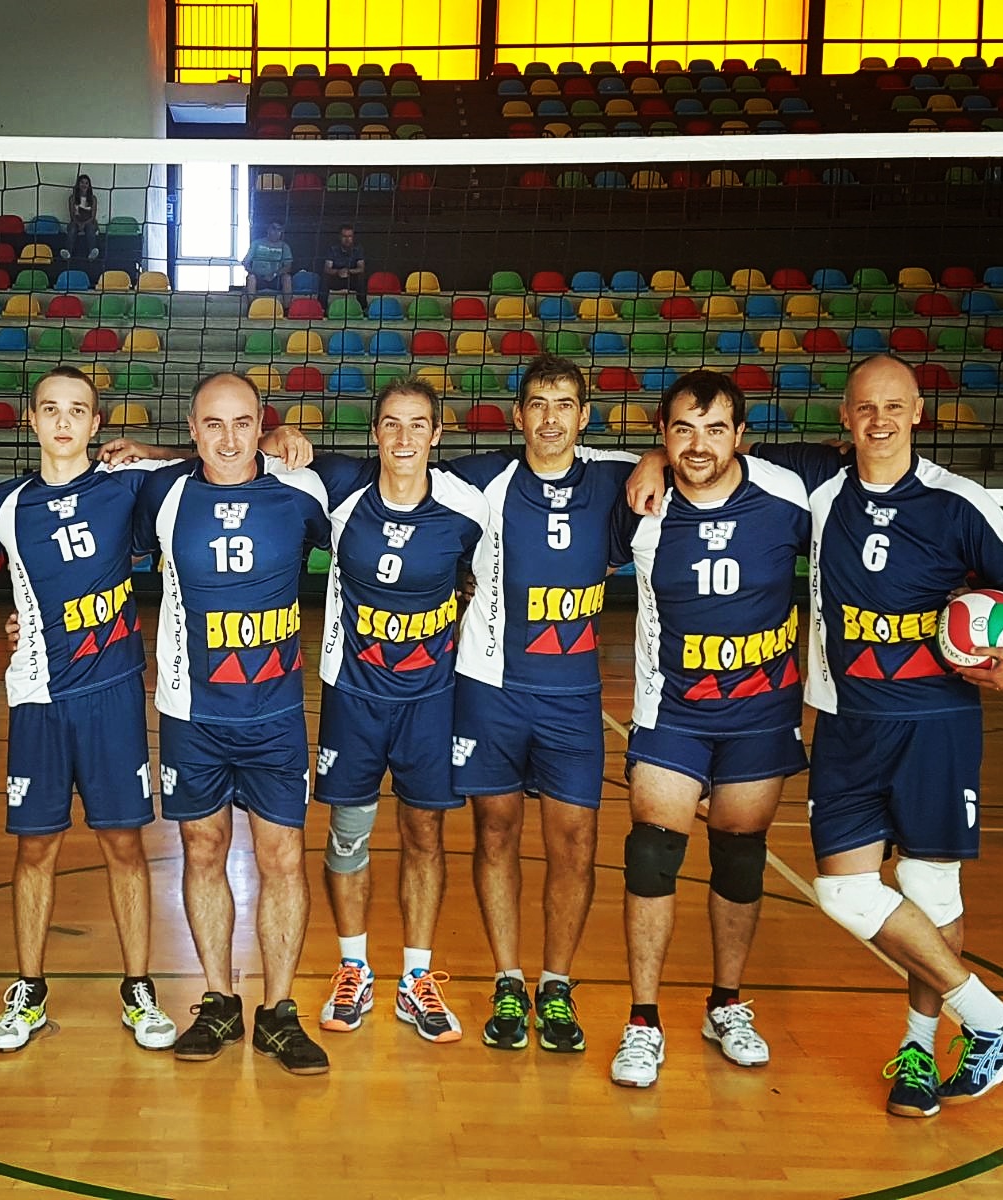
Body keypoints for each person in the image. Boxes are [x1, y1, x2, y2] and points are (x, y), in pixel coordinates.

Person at [631, 353, 1003, 1116]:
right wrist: (654, 458)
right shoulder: (819, 486)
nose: (880, 420)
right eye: (866, 407)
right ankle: (996, 1020)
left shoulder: (956, 502)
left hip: (935, 724)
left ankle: (923, 1050)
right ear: (845, 416)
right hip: (845, 720)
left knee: (929, 889)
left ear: (918, 412)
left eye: (894, 407)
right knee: (843, 890)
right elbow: (708, 451)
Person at [607, 369, 812, 1089]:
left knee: (740, 856)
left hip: (762, 710)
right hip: (674, 709)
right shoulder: (641, 503)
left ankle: (726, 1004)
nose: (699, 445)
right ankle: (643, 1020)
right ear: (661, 434)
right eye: (683, 431)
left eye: (716, 429)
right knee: (651, 852)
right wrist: (647, 463)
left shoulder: (791, 492)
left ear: (741, 435)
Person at [0, 367, 179, 1054]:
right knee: (36, 847)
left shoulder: (126, 487)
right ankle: (29, 990)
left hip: (113, 693)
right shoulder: (3, 504)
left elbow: (216, 461)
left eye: (78, 410)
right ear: (31, 419)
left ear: (96, 423)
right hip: (38, 695)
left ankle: (138, 988)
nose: (64, 421)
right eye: (51, 409)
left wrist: (150, 450)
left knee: (124, 845)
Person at [130, 372, 331, 1074]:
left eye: (243, 423)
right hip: (192, 712)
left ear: (262, 426)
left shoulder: (302, 488)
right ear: (192, 429)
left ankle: (279, 1013)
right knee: (203, 850)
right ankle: (218, 1000)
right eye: (212, 424)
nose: (228, 438)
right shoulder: (162, 493)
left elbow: (387, 506)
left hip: (275, 713)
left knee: (283, 859)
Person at [444, 356, 638, 1053]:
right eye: (537, 404)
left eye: (564, 405)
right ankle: (507, 979)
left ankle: (556, 985)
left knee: (576, 843)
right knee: (495, 832)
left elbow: (690, 459)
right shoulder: (481, 477)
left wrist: (653, 463)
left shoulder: (615, 476)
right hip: (489, 688)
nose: (550, 419)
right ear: (518, 415)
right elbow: (394, 476)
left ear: (584, 415)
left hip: (573, 696)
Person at [305, 379, 488, 1045]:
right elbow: (240, 455)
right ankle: (354, 968)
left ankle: (416, 978)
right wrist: (155, 451)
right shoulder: (340, 491)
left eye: (417, 425)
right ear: (375, 431)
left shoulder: (469, 504)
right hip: (354, 697)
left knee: (425, 836)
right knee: (347, 835)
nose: (404, 437)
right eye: (391, 423)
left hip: (431, 702)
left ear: (437, 435)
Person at [318, 224, 366, 311]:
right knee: (325, 278)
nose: (347, 239)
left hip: (351, 279)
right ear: (340, 237)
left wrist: (348, 271)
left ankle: (363, 308)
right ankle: (321, 308)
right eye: (344, 236)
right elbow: (327, 268)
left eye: (350, 236)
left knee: (361, 278)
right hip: (336, 279)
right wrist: (338, 272)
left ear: (353, 237)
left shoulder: (358, 249)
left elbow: (361, 268)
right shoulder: (332, 249)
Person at [242, 220, 293, 296]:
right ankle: (252, 303)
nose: (276, 232)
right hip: (258, 279)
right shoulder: (256, 243)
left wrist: (274, 274)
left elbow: (288, 266)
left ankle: (287, 304)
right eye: (274, 229)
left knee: (287, 278)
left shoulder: (285, 246)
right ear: (268, 229)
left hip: (276, 279)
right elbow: (245, 262)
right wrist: (254, 273)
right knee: (251, 278)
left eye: (279, 230)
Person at [60, 174, 99, 263]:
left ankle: (92, 253)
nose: (84, 185)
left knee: (90, 228)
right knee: (72, 228)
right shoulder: (72, 198)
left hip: (89, 222)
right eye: (82, 182)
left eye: (86, 183)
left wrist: (84, 224)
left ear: (89, 186)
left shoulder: (93, 198)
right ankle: (68, 253)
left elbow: (93, 216)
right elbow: (72, 215)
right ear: (78, 184)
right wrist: (79, 223)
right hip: (76, 222)